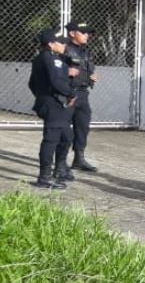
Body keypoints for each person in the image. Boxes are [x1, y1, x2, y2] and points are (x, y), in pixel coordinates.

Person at [28, 29, 77, 188]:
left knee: (66, 136)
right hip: (53, 104)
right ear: (50, 44)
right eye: (60, 42)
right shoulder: (51, 59)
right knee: (51, 140)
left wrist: (41, 96)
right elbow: (57, 82)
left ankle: (60, 170)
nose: (64, 44)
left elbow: (32, 84)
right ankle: (44, 177)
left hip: (51, 103)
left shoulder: (43, 58)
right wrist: (70, 94)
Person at [64, 20, 98, 172]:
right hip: (68, 93)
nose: (87, 35)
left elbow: (88, 68)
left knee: (82, 127)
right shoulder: (63, 49)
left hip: (83, 93)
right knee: (63, 128)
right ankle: (60, 161)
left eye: (88, 33)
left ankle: (79, 159)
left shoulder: (85, 51)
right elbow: (52, 69)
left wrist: (92, 75)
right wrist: (66, 72)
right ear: (72, 33)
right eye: (83, 32)